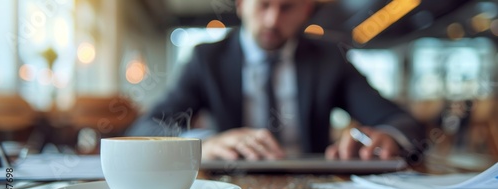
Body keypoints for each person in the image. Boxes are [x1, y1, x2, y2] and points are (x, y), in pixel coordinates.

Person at [126, 0, 425, 162]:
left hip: (314, 186)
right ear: (242, 4)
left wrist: (387, 138)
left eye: (287, 7)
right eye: (264, 5)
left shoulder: (329, 58)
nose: (272, 20)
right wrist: (204, 144)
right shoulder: (207, 59)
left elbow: (402, 123)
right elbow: (144, 128)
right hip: (231, 185)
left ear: (307, 9)